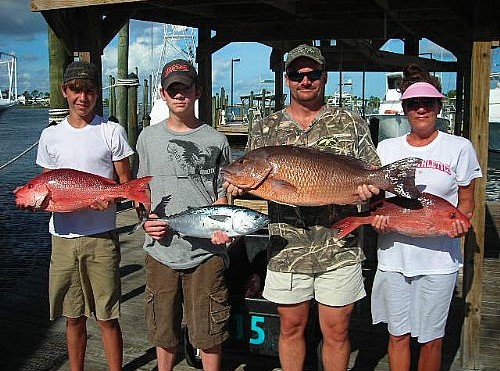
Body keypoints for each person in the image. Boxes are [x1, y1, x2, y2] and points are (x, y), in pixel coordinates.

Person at [225, 44, 381, 371]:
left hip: (341, 245)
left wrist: (369, 190)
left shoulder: (351, 123)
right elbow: (248, 176)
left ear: (325, 78)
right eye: (297, 74)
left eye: (313, 74)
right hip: (286, 247)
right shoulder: (266, 128)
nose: (305, 81)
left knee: (337, 330)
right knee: (291, 326)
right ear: (286, 79)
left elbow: (372, 172)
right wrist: (237, 184)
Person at [370, 64, 482, 371]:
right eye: (413, 104)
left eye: (428, 103)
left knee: (431, 339)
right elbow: (378, 202)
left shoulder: (459, 147)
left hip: (439, 262)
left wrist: (461, 224)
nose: (421, 109)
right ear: (404, 109)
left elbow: (467, 202)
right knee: (397, 335)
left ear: (438, 106)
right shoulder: (386, 148)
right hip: (394, 257)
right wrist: (376, 218)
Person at [35, 61, 133, 371]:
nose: (82, 97)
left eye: (89, 90)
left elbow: (123, 185)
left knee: (107, 316)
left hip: (101, 238)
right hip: (62, 239)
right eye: (75, 89)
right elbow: (48, 188)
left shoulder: (111, 131)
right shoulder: (50, 136)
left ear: (97, 94)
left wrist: (112, 200)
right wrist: (37, 202)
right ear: (64, 91)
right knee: (72, 316)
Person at [136, 59, 232, 371]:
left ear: (198, 91)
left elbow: (222, 194)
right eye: (172, 89)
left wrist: (224, 227)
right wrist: (145, 221)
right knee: (163, 328)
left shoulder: (216, 140)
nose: (180, 95)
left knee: (209, 330)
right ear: (162, 94)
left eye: (185, 88)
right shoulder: (147, 138)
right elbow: (142, 193)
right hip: (162, 251)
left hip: (206, 252)